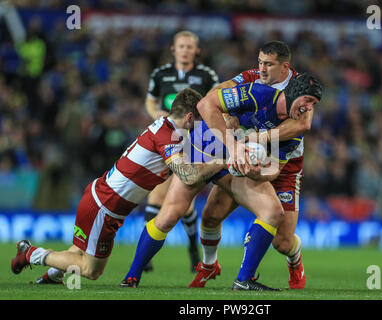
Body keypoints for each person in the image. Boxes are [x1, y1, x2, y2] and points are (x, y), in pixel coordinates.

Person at [119, 72, 322, 291]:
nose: (309, 108)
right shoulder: (258, 93)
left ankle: (243, 280)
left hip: (233, 166)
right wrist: (233, 144)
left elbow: (273, 171)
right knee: (169, 216)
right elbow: (207, 103)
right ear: (294, 93)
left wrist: (253, 171)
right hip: (206, 146)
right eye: (308, 100)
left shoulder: (292, 133)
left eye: (314, 104)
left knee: (273, 211)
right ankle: (132, 277)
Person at [10, 88, 225, 283]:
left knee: (80, 249)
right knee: (91, 270)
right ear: (189, 117)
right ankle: (30, 253)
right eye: (199, 120)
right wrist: (222, 162)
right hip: (104, 205)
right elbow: (187, 176)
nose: (200, 125)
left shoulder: (167, 129)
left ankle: (51, 276)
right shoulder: (168, 136)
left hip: (102, 200)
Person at [190, 41, 312, 289]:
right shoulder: (250, 79)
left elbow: (301, 125)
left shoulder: (301, 86)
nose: (262, 69)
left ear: (285, 66)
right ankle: (210, 265)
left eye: (268, 64)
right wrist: (227, 115)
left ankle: (295, 261)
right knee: (211, 214)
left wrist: (261, 138)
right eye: (260, 62)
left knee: (283, 243)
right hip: (248, 154)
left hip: (285, 160)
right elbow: (213, 97)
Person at [144, 30, 219, 272]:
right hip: (166, 136)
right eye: (181, 46)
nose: (185, 50)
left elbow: (216, 103)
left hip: (194, 139)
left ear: (196, 51)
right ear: (173, 49)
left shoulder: (207, 75)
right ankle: (147, 255)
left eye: (189, 47)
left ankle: (191, 247)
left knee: (182, 198)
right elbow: (150, 100)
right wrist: (155, 113)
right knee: (155, 196)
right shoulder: (160, 74)